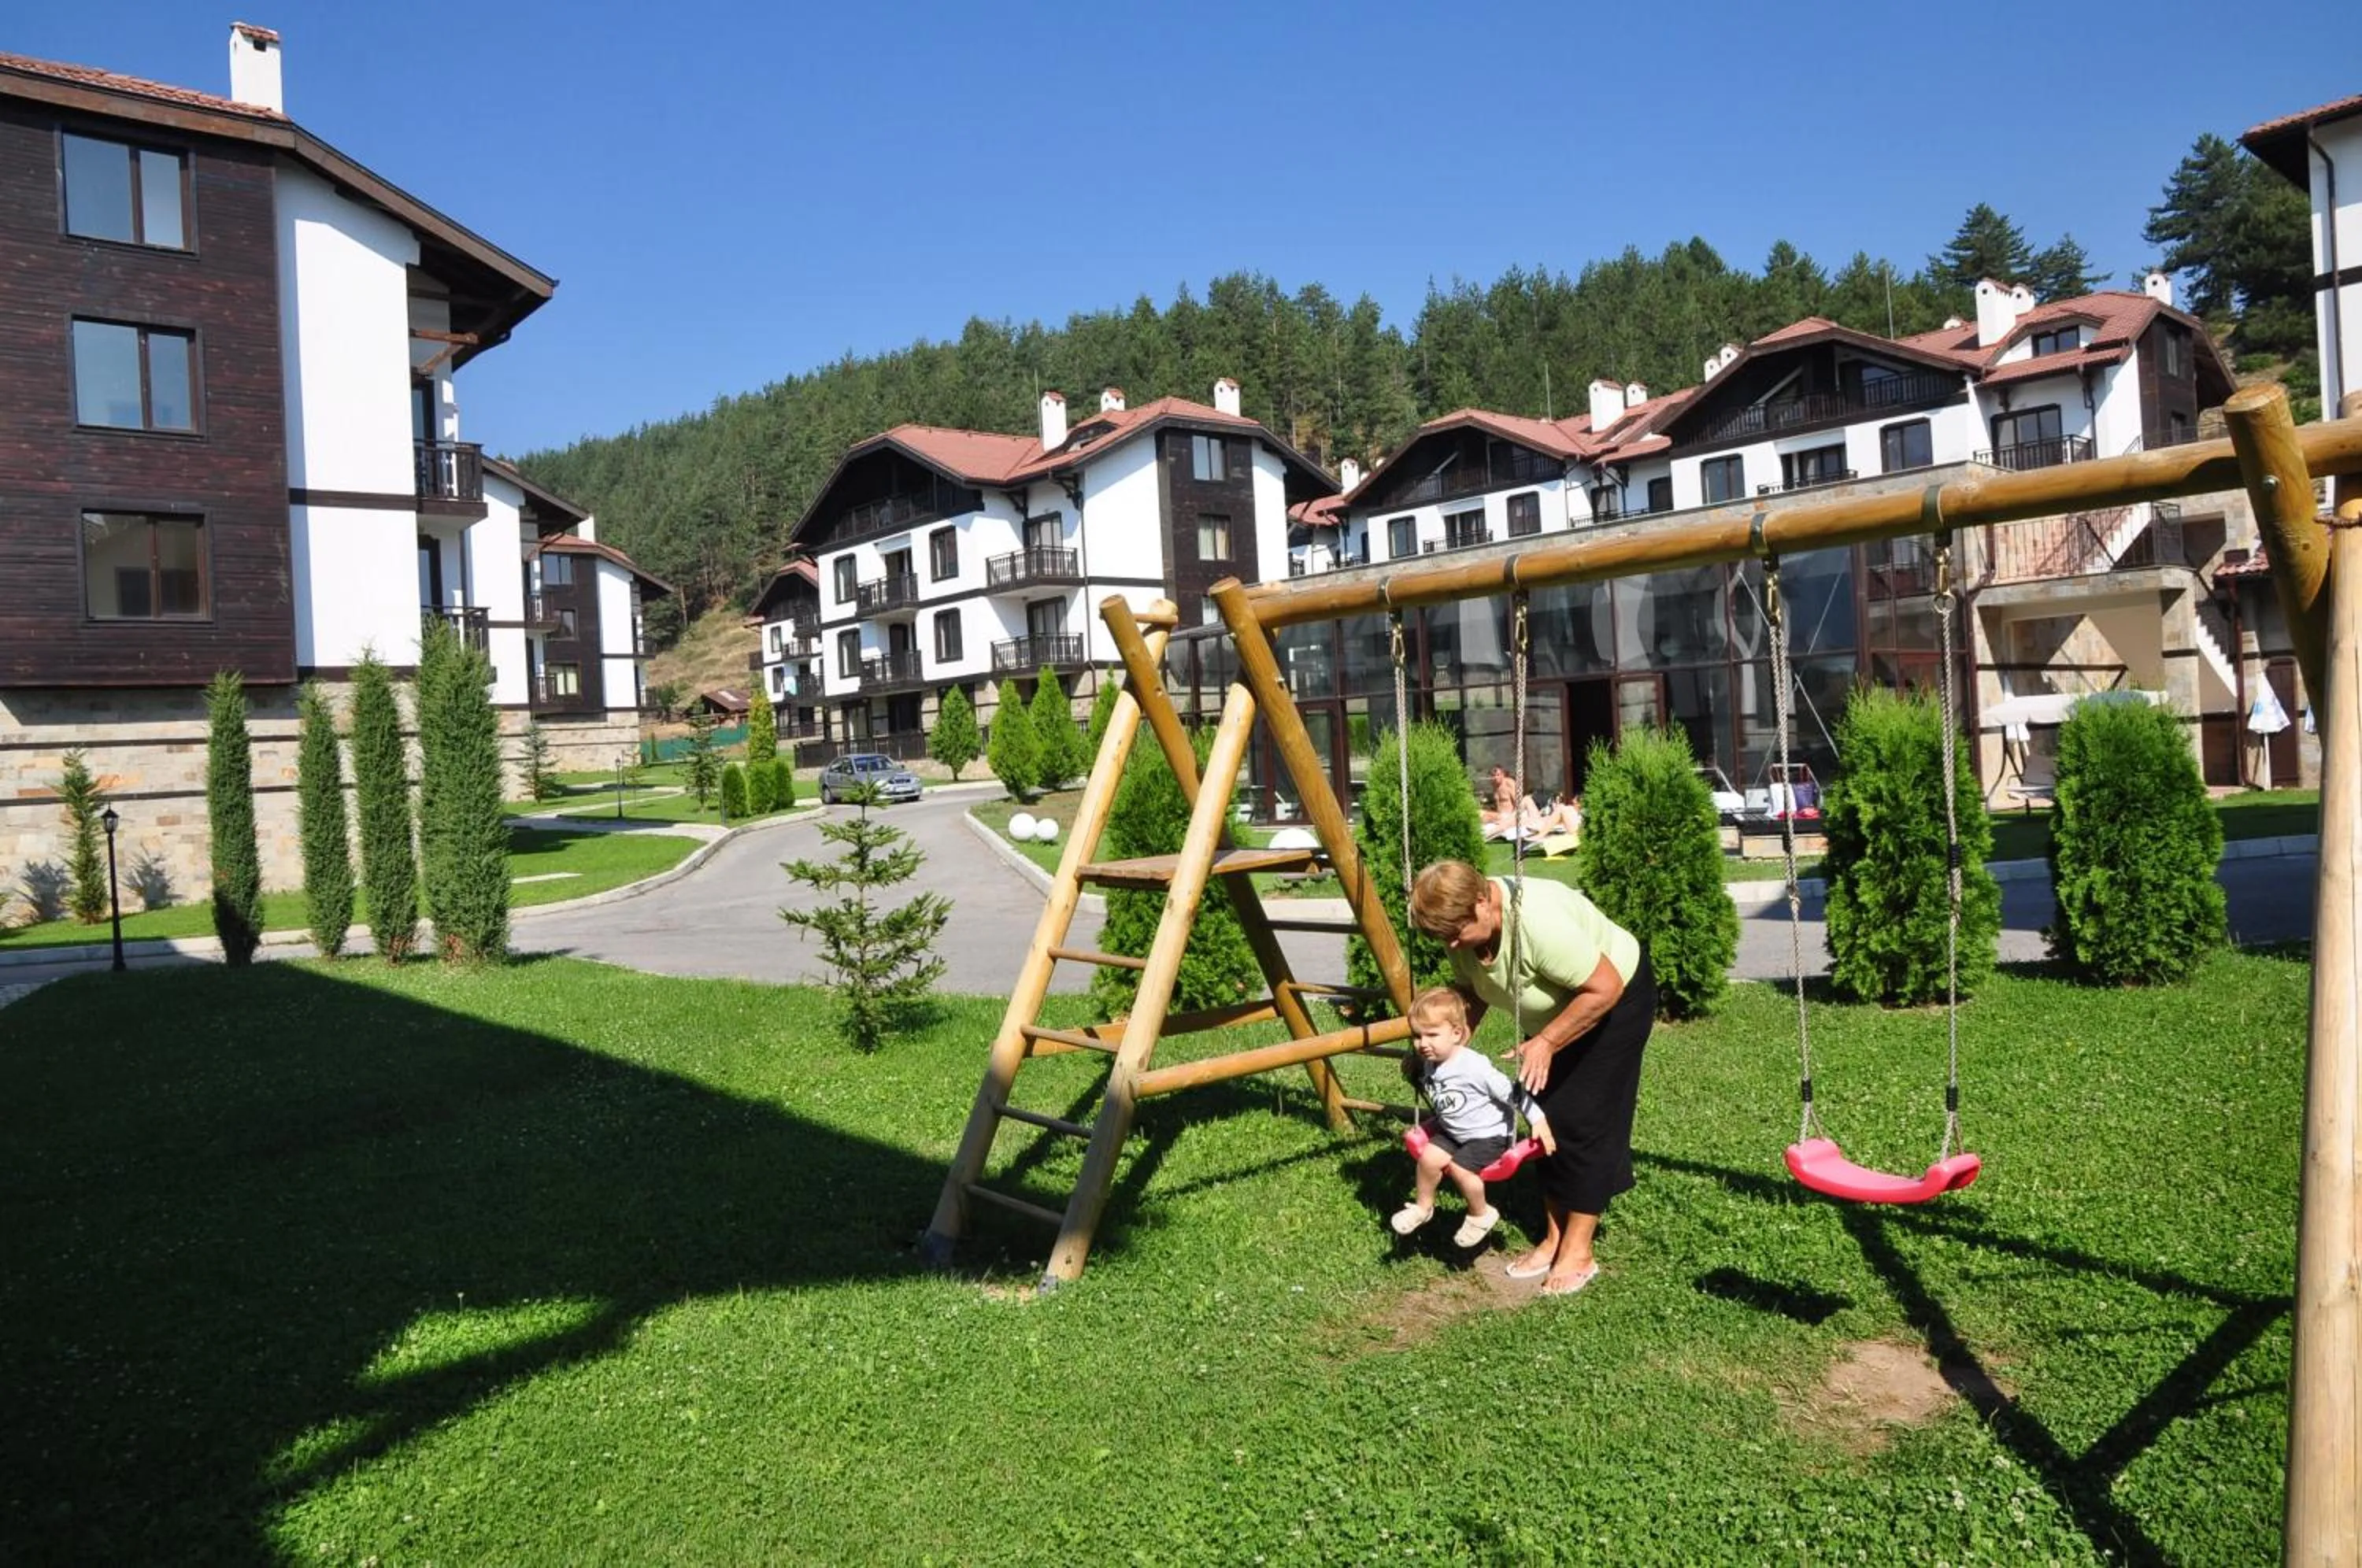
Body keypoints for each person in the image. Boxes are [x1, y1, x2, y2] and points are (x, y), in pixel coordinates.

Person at [1408, 859, 1655, 1296]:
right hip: (1560, 1014)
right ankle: (1554, 1237)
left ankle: (1579, 1250)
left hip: (1613, 1001)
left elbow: (1605, 988)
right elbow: (1471, 996)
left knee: (1584, 1120)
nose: (1451, 943)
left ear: (1484, 902)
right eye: (1443, 936)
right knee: (1546, 1117)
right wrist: (1444, 1052)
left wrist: (1547, 1041)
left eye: (1455, 932)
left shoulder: (1537, 924)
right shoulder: (1459, 931)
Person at [1391, 986, 1556, 1248]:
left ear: (1457, 1033)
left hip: (1488, 1135)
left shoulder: (1474, 1066)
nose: (1423, 1044)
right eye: (1417, 1036)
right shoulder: (1430, 1062)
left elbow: (1512, 1093)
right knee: (1428, 1159)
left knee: (1460, 1168)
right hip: (1455, 1131)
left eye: (1432, 1035)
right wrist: (1415, 1071)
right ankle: (1423, 1208)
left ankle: (1481, 1214)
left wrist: (1537, 1119)